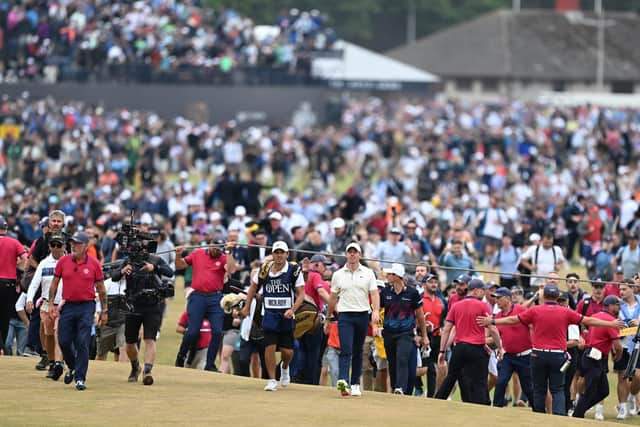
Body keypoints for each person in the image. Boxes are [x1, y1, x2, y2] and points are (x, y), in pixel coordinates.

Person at [478, 285, 624, 415]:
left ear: (544, 296)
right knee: (558, 389)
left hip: (537, 355)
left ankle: (539, 417)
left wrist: (492, 321)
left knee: (539, 389)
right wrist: (610, 324)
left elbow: (512, 320)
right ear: (557, 297)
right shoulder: (565, 312)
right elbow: (588, 320)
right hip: (558, 356)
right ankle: (559, 417)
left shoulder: (535, 310)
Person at [240, 241, 305, 391]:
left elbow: (301, 294)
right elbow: (253, 288)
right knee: (269, 346)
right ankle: (271, 380)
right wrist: (247, 307)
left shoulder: (294, 270)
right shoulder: (264, 269)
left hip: (286, 315)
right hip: (269, 314)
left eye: (282, 252)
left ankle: (284, 366)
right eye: (276, 252)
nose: (279, 255)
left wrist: (293, 310)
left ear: (287, 254)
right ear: (273, 254)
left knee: (287, 352)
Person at [48, 231, 108, 391]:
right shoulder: (63, 261)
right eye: (72, 243)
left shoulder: (94, 264)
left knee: (82, 341)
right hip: (67, 305)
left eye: (77, 243)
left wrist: (104, 311)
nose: (73, 246)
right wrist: (51, 305)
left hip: (86, 306)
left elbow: (101, 289)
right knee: (63, 341)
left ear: (85, 246)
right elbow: (54, 283)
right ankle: (73, 367)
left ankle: (80, 378)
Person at [110, 239, 174, 385]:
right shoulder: (128, 261)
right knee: (130, 342)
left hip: (152, 305)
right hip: (133, 305)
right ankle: (135, 367)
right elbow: (114, 277)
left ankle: (148, 370)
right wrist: (122, 271)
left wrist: (155, 268)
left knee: (149, 339)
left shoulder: (155, 260)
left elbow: (169, 272)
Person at [435, 278, 503, 405]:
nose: (484, 294)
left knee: (451, 377)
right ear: (476, 291)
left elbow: (447, 330)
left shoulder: (456, 305)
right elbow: (493, 328)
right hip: (477, 348)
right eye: (482, 291)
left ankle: (438, 400)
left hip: (459, 348)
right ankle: (482, 405)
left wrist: (442, 350)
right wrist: (499, 347)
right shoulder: (483, 306)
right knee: (480, 380)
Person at [175, 236, 238, 371]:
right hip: (197, 296)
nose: (215, 250)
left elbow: (232, 270)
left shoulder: (222, 257)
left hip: (215, 298)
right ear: (209, 244)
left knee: (216, 332)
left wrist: (229, 253)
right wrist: (178, 254)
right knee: (192, 331)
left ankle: (210, 364)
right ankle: (181, 356)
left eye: (218, 248)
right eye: (213, 246)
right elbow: (180, 265)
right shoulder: (197, 253)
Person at [326, 242, 379, 397]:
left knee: (358, 350)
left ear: (360, 255)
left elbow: (375, 294)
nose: (352, 255)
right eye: (350, 252)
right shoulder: (338, 274)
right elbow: (333, 297)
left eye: (355, 252)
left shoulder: (368, 273)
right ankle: (343, 380)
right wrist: (329, 316)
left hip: (362, 315)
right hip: (345, 316)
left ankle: (355, 383)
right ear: (346, 254)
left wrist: (375, 311)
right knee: (346, 349)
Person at [380, 263, 428, 395]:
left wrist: (424, 335)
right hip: (389, 333)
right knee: (392, 361)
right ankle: (396, 386)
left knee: (402, 358)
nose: (388, 276)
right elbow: (377, 309)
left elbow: (420, 315)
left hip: (406, 333)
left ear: (397, 276)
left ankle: (400, 388)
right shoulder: (385, 292)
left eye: (390, 274)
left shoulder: (412, 293)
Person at [572, 295, 623, 418]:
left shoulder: (594, 317)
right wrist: (618, 356)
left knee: (603, 391)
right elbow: (618, 346)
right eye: (617, 305)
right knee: (591, 390)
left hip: (591, 356)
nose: (619, 307)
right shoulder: (611, 321)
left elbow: (585, 328)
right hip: (594, 358)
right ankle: (577, 415)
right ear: (610, 306)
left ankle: (579, 410)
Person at [26, 233, 65, 379]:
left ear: (64, 246)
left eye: (58, 245)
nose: (55, 248)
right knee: (49, 335)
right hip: (47, 304)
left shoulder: (69, 261)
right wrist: (29, 299)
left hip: (63, 304)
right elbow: (35, 283)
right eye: (53, 245)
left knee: (58, 333)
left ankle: (58, 364)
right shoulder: (44, 263)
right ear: (49, 246)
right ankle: (53, 361)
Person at [490, 287, 533, 407]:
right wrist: (498, 347)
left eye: (499, 298)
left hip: (525, 355)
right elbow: (497, 335)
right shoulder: (497, 316)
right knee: (501, 381)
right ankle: (496, 408)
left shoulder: (521, 309)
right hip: (508, 355)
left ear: (508, 299)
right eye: (495, 298)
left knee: (528, 387)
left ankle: (538, 410)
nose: (496, 300)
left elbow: (532, 327)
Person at [294, 254, 331, 385]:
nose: (326, 268)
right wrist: (336, 308)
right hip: (313, 321)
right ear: (315, 264)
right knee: (314, 355)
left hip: (298, 320)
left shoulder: (298, 275)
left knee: (301, 350)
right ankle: (311, 382)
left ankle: (298, 378)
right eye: (324, 265)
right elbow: (321, 292)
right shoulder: (315, 276)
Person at [0, 216, 28, 355]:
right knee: (5, 317)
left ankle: (2, 347)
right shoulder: (14, 242)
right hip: (9, 283)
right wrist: (16, 266)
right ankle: (3, 347)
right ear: (5, 228)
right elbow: (25, 259)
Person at [614, 279, 640, 420]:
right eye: (620, 289)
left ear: (632, 288)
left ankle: (632, 395)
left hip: (638, 346)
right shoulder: (617, 304)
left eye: (624, 289)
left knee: (637, 377)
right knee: (622, 377)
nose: (621, 292)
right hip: (622, 344)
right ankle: (622, 407)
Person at [421, 273, 447, 397]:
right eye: (430, 282)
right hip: (423, 337)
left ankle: (435, 394)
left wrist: (443, 328)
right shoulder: (419, 299)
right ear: (424, 284)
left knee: (441, 366)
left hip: (437, 337)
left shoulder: (441, 301)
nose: (434, 284)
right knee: (427, 369)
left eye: (435, 282)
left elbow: (445, 319)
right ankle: (423, 391)